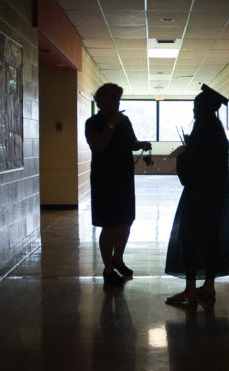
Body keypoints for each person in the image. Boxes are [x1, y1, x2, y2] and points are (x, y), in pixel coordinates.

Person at [164, 84, 229, 304]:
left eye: (195, 107)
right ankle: (209, 286)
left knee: (190, 238)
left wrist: (183, 154)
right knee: (211, 238)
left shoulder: (202, 129)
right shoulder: (217, 127)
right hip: (217, 193)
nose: (193, 112)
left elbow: (193, 165)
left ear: (202, 109)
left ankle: (191, 290)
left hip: (199, 194)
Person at [85, 83, 151, 285]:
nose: (117, 102)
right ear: (101, 100)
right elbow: (99, 145)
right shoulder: (93, 123)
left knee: (125, 221)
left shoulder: (125, 121)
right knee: (109, 225)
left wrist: (141, 144)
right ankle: (107, 269)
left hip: (124, 179)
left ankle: (118, 259)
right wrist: (112, 123)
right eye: (113, 98)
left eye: (118, 99)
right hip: (104, 180)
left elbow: (131, 143)